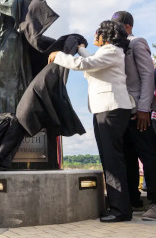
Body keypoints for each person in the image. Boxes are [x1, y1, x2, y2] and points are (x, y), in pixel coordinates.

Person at [49, 20, 134, 222]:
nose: (95, 35)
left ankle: (120, 211)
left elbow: (85, 64)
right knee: (110, 158)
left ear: (106, 35)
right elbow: (92, 59)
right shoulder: (110, 52)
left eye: (98, 33)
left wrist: (58, 56)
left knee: (112, 160)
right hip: (108, 108)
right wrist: (80, 48)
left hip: (110, 109)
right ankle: (119, 207)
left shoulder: (111, 51)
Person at [111, 11, 156, 221]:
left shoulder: (136, 43)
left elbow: (147, 75)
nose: (115, 28)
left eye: (118, 25)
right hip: (122, 111)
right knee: (127, 156)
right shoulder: (115, 47)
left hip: (139, 111)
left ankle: (155, 203)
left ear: (128, 26)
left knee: (148, 156)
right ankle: (134, 201)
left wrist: (144, 109)